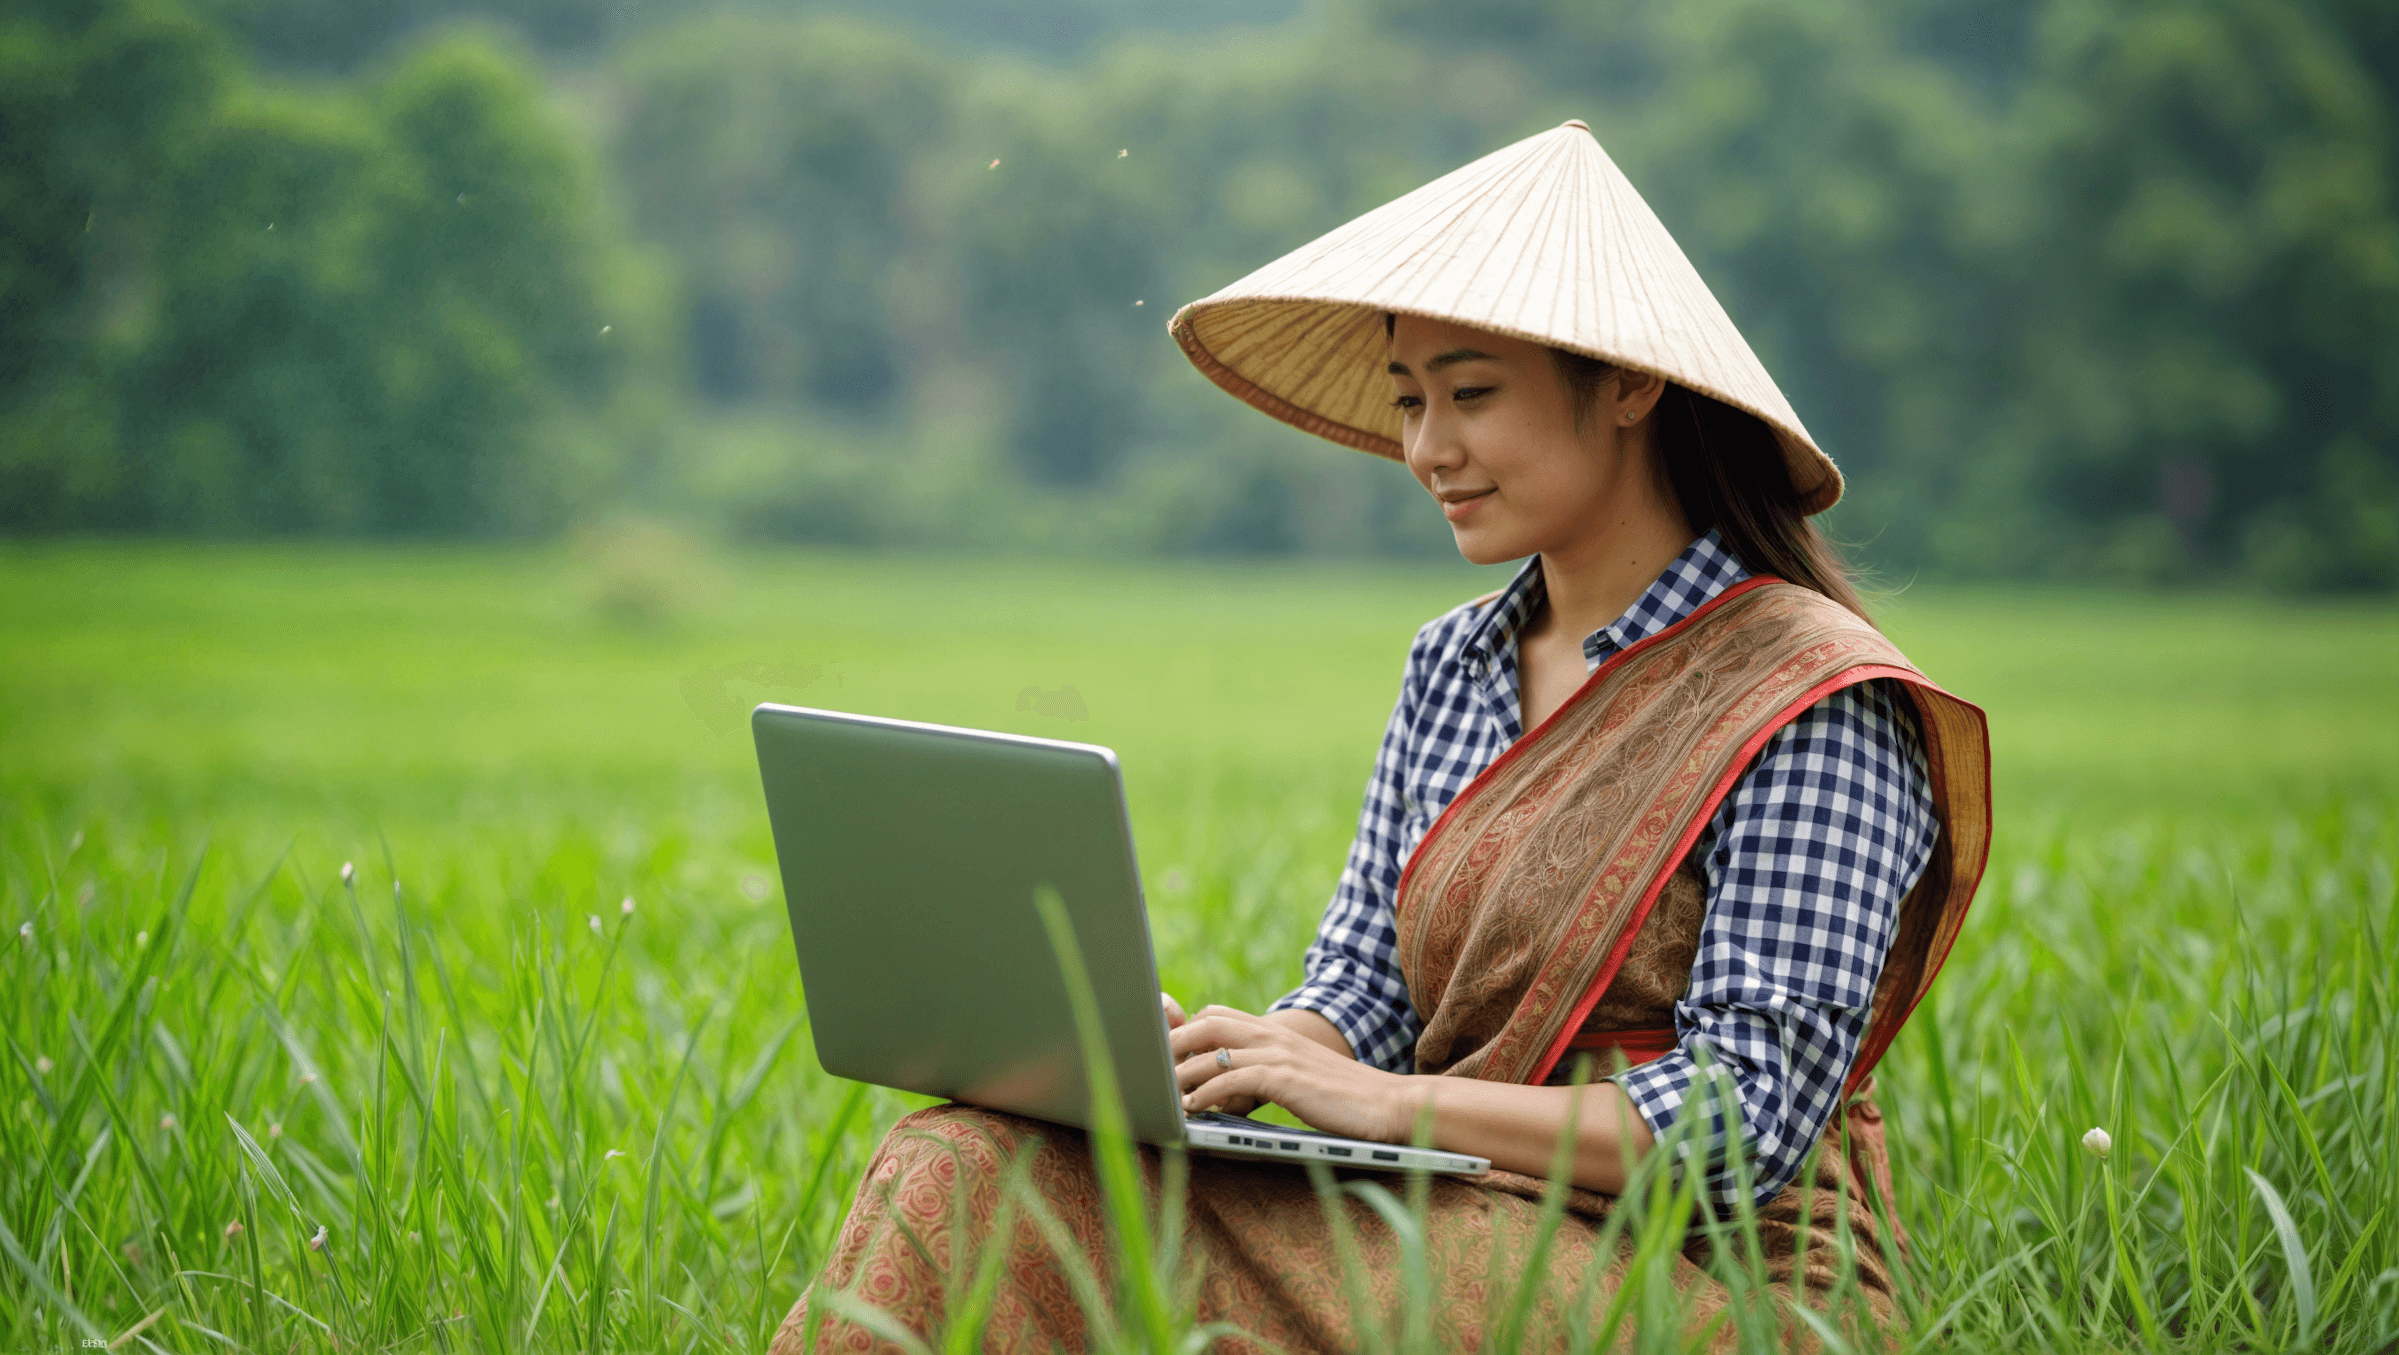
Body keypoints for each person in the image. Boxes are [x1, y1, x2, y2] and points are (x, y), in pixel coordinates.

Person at [770, 119, 1991, 1355]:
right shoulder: (1450, 663)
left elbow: (1746, 1119)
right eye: (1410, 401)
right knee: (972, 1155)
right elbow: (1362, 987)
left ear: (1628, 386)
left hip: (1711, 1280)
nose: (1426, 450)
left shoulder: (1811, 694)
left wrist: (1387, 1104)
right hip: (1460, 1207)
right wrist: (1221, 1059)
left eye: (1469, 395)